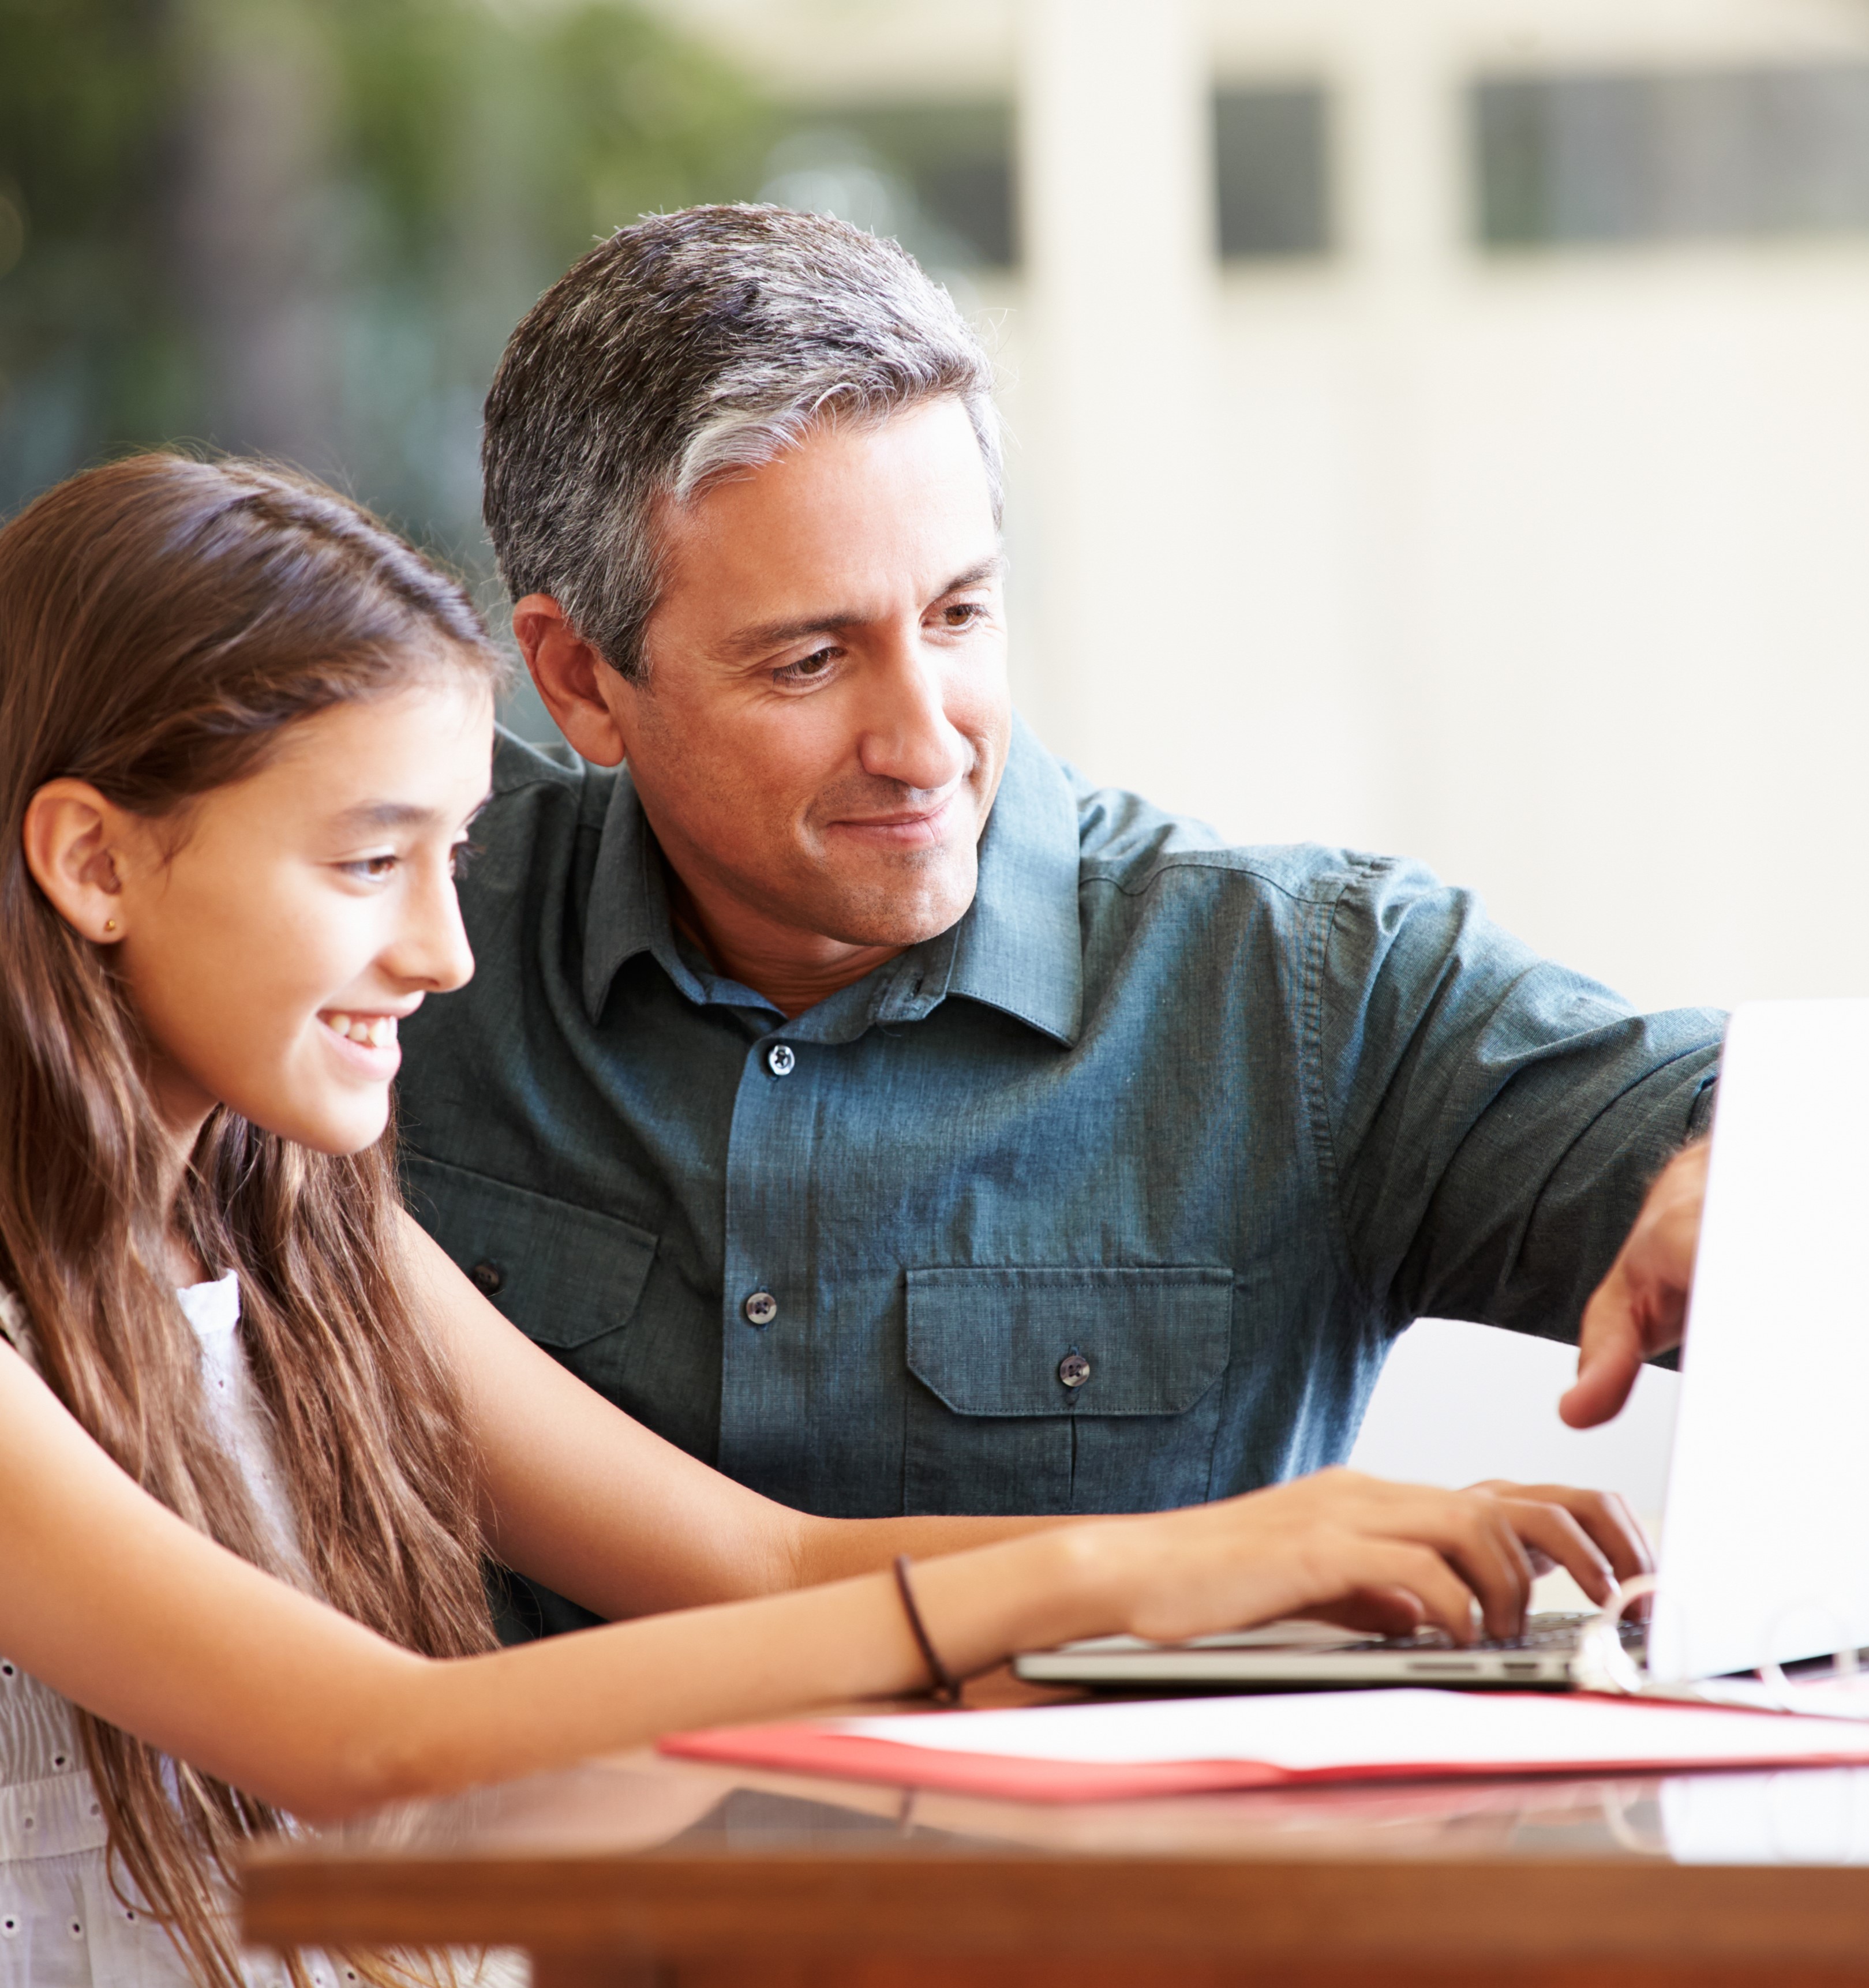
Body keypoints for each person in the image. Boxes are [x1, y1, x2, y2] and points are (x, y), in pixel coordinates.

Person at [0, 452, 1650, 1988]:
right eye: (370, 865)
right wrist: (1113, 1572)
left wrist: (1256, 1576)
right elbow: (373, 1746)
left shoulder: (299, 1232)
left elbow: (752, 1564)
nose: (447, 954)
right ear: (91, 862)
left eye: (452, 861)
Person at [392, 204, 1760, 1639]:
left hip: (1113, 1868)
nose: (925, 743)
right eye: (811, 660)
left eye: (962, 617)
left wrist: (1759, 1163)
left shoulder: (1305, 987)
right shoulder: (397, 953)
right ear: (581, 681)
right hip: (537, 1867)